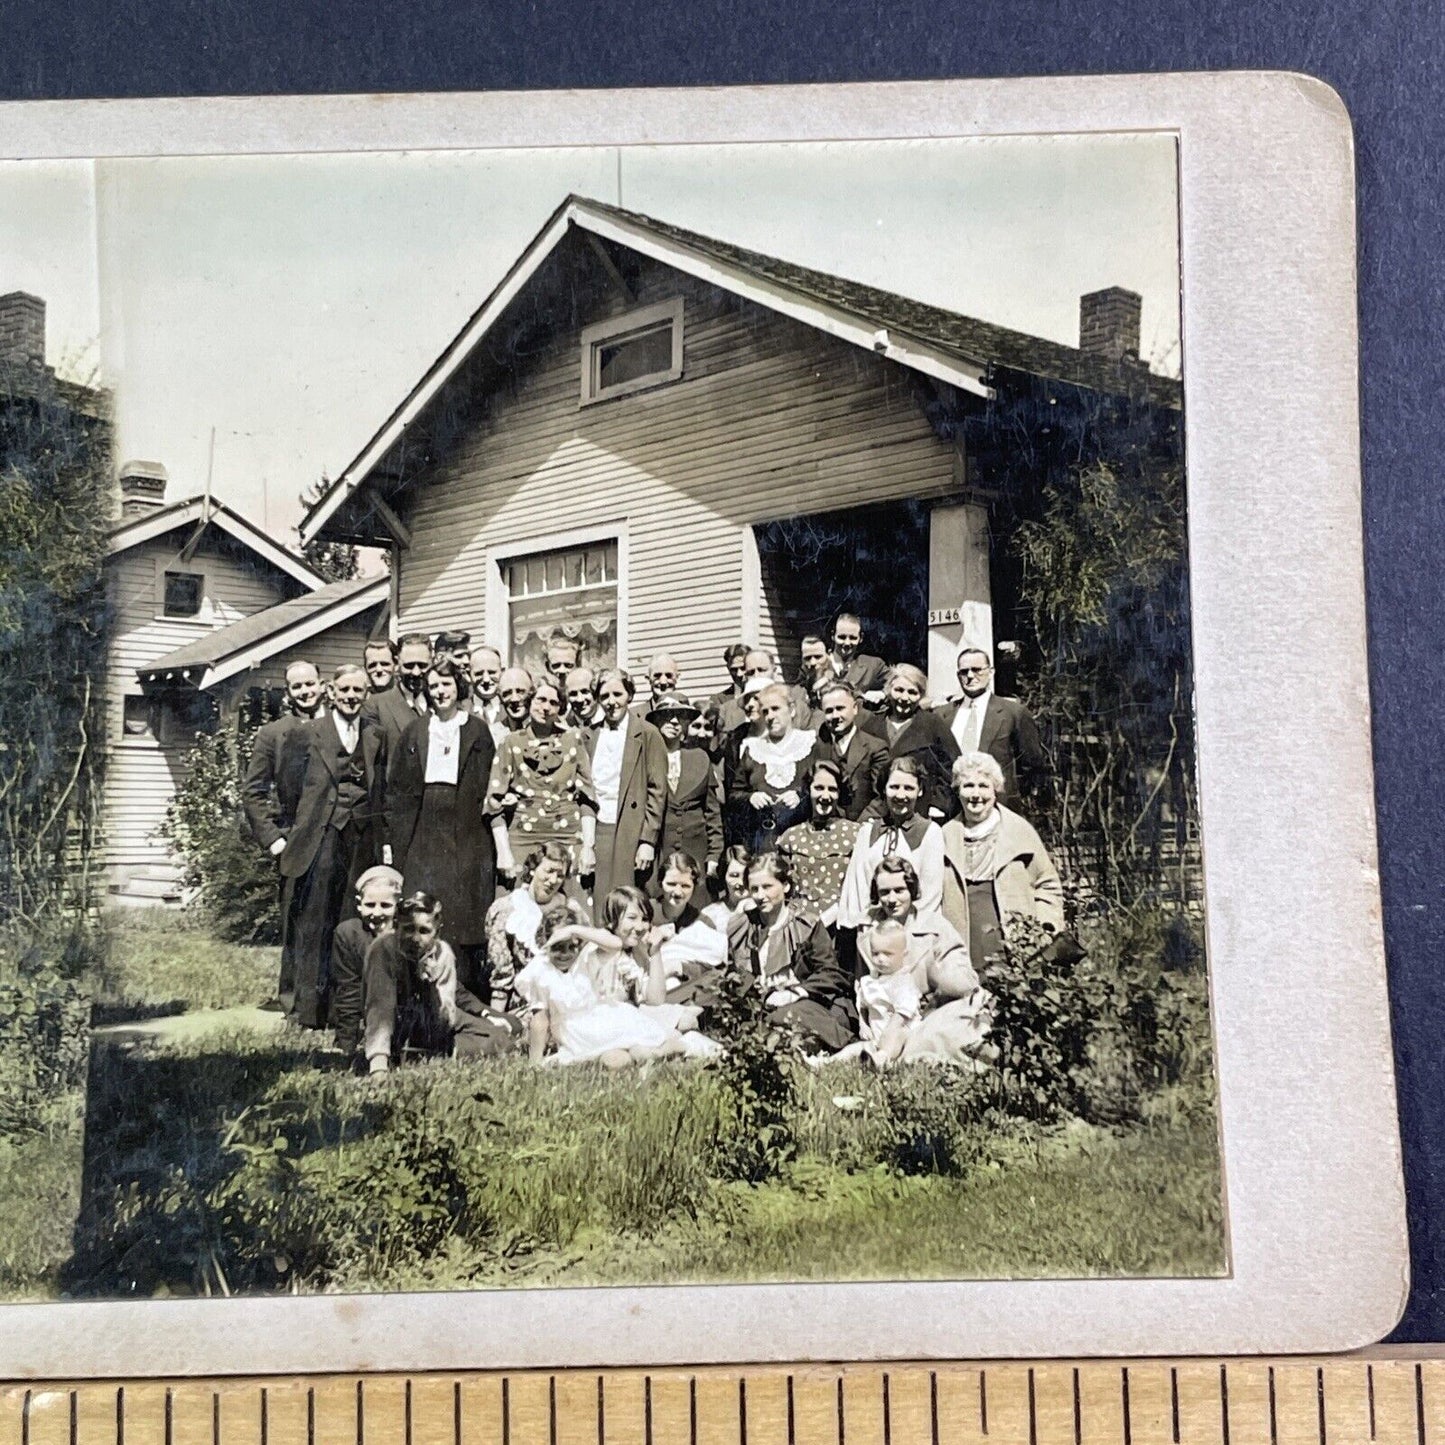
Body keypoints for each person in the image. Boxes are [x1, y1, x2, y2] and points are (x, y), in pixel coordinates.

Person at [276, 664, 387, 1029]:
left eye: (358, 690)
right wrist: (305, 828)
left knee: (348, 923)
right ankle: (307, 1013)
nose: (351, 696)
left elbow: (378, 788)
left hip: (360, 838)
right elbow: (290, 791)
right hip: (321, 837)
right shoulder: (308, 734)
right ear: (331, 691)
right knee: (315, 922)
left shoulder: (375, 735)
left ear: (366, 694)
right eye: (345, 690)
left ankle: (344, 1011)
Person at [387, 658, 498, 997]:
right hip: (425, 824)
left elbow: (484, 783)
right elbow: (400, 788)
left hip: (465, 825)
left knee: (464, 904)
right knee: (426, 898)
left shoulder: (476, 729)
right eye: (434, 686)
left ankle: (464, 989)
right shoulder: (417, 730)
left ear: (458, 687)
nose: (440, 692)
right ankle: (420, 986)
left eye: (446, 684)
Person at [516, 898, 689, 1068]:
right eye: (558, 947)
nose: (565, 954)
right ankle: (638, 1055)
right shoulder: (540, 971)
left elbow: (615, 944)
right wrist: (534, 1063)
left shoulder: (584, 960)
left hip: (602, 1023)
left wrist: (574, 929)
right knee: (616, 1062)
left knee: (643, 1052)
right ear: (545, 943)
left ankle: (679, 1045)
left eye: (572, 946)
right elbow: (540, 1021)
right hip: (575, 1037)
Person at [363, 891, 520, 1074]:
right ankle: (423, 1052)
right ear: (396, 926)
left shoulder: (443, 953)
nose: (415, 938)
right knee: (489, 1042)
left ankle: (436, 1050)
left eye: (424, 931)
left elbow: (446, 1012)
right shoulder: (383, 950)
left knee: (504, 1037)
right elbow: (379, 1008)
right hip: (397, 1019)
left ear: (437, 931)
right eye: (408, 929)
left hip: (431, 1017)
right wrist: (378, 1066)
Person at [862, 854, 994, 1068]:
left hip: (932, 1009)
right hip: (886, 1016)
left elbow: (965, 981)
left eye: (900, 890)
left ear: (912, 890)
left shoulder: (934, 926)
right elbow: (864, 980)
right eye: (884, 892)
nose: (892, 899)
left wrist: (935, 972)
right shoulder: (868, 929)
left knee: (948, 1033)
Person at [940, 751, 1064, 972]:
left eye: (983, 786)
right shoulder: (945, 835)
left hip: (1011, 940)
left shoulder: (1018, 831)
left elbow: (1048, 884)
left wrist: (1045, 928)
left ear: (995, 790)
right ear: (958, 791)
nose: (975, 795)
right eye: (968, 786)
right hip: (961, 942)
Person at [725, 851, 856, 1054]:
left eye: (767, 887)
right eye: (754, 889)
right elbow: (735, 971)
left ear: (785, 886)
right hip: (760, 1002)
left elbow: (830, 974)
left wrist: (795, 992)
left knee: (788, 1017)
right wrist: (758, 990)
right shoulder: (743, 924)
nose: (760, 896)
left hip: (806, 1001)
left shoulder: (806, 924)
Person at [487, 673, 598, 887]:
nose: (546, 707)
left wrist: (588, 848)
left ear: (561, 708)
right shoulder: (510, 743)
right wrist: (503, 852)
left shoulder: (573, 740)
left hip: (568, 839)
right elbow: (493, 804)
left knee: (570, 912)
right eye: (541, 700)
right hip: (522, 839)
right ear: (529, 702)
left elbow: (588, 799)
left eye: (554, 702)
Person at [586, 668, 668, 902]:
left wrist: (647, 841)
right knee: (599, 898)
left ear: (629, 696)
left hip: (631, 828)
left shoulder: (647, 734)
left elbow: (657, 791)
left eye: (617, 694)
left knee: (626, 898)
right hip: (599, 827)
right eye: (604, 696)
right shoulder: (589, 736)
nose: (611, 702)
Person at [837, 757, 946, 929]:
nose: (900, 795)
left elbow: (930, 895)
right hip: (871, 933)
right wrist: (865, 930)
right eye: (894, 787)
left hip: (913, 936)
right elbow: (857, 888)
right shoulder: (867, 832)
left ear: (920, 791)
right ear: (884, 789)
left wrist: (906, 934)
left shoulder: (931, 833)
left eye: (909, 788)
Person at [934, 645, 1050, 806]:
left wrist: (1008, 795)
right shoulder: (942, 715)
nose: (970, 676)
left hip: (997, 806)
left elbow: (1032, 765)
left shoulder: (1014, 713)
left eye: (977, 670)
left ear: (991, 672)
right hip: (951, 808)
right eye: (964, 671)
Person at [242, 659, 325, 862]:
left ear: (322, 686)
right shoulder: (273, 734)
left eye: (310, 684)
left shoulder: (341, 725)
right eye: (297, 687)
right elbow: (253, 792)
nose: (305, 691)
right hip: (294, 843)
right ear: (287, 693)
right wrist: (273, 840)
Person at [483, 841, 574, 1013]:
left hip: (567, 999)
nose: (553, 881)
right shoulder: (506, 910)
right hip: (528, 1003)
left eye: (560, 875)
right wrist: (497, 1021)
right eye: (549, 871)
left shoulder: (571, 909)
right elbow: (501, 976)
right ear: (532, 869)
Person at [729, 682, 817, 855]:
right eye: (765, 711)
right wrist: (750, 798)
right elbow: (734, 794)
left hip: (804, 840)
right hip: (762, 842)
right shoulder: (753, 749)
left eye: (775, 708)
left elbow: (824, 787)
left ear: (791, 710)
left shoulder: (810, 744)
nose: (770, 716)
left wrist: (801, 796)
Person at [826, 918, 923, 1070]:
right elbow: (864, 1006)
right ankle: (826, 1062)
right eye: (875, 953)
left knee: (898, 1035)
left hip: (904, 1038)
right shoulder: (870, 982)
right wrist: (863, 1024)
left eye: (887, 954)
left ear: (904, 955)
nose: (880, 959)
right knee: (854, 1049)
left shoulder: (903, 981)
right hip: (877, 1039)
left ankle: (881, 1059)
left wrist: (888, 1034)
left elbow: (903, 1014)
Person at [328, 863, 402, 1059]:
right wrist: (346, 1044)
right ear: (359, 903)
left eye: (385, 906)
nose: (376, 913)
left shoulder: (408, 933)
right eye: (370, 905)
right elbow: (348, 989)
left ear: (398, 905)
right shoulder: (348, 934)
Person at [870, 663, 961, 821]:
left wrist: (939, 805)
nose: (904, 698)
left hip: (920, 811)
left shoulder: (933, 725)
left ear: (921, 696)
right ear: (888, 691)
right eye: (899, 690)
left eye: (912, 692)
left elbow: (952, 769)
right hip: (877, 812)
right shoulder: (872, 724)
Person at [650, 692, 723, 884]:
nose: (674, 721)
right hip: (660, 852)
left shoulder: (699, 757)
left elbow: (712, 812)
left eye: (680, 717)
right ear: (656, 721)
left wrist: (714, 854)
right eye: (667, 716)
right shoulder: (646, 759)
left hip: (695, 850)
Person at [776, 759, 860, 925]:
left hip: (841, 923)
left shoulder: (855, 834)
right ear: (808, 790)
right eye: (819, 788)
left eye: (832, 789)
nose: (825, 796)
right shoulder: (791, 837)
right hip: (799, 924)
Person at [649, 850, 730, 991]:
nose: (678, 892)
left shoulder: (703, 923)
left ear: (695, 886)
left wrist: (680, 967)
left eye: (685, 886)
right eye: (671, 884)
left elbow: (714, 966)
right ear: (660, 883)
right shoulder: (644, 913)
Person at [810, 681, 889, 820]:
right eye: (829, 711)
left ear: (854, 709)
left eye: (840, 708)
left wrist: (859, 825)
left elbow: (882, 795)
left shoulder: (876, 748)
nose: (835, 716)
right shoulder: (815, 746)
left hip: (864, 825)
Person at [363, 632, 431, 750]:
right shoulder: (375, 706)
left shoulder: (440, 702)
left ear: (432, 662)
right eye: (409, 666)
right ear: (397, 663)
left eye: (422, 665)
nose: (416, 672)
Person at [828, 613, 888, 704]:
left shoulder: (873, 665)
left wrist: (881, 694)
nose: (847, 643)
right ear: (833, 635)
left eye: (853, 638)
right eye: (842, 637)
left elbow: (899, 684)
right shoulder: (816, 663)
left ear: (861, 638)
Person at [468, 644, 509, 746]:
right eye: (478, 673)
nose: (486, 679)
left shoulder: (511, 709)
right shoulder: (460, 710)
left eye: (492, 672)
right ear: (469, 675)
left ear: (502, 672)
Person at [704, 844, 752, 929]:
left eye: (746, 875)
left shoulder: (764, 912)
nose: (741, 882)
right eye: (734, 875)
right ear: (724, 877)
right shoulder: (710, 915)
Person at [707, 642, 752, 733]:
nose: (739, 674)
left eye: (743, 668)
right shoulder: (718, 700)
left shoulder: (766, 695)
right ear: (728, 668)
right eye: (734, 670)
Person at [632, 652, 681, 718]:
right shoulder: (633, 715)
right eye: (657, 676)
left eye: (668, 675)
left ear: (677, 678)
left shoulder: (687, 713)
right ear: (648, 679)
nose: (663, 682)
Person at [497, 666, 535, 733]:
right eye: (507, 693)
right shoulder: (492, 735)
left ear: (532, 693)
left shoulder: (548, 730)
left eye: (520, 691)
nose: (514, 699)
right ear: (500, 698)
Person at [565, 666, 601, 732]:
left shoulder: (611, 720)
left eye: (585, 692)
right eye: (573, 694)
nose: (580, 699)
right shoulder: (565, 725)